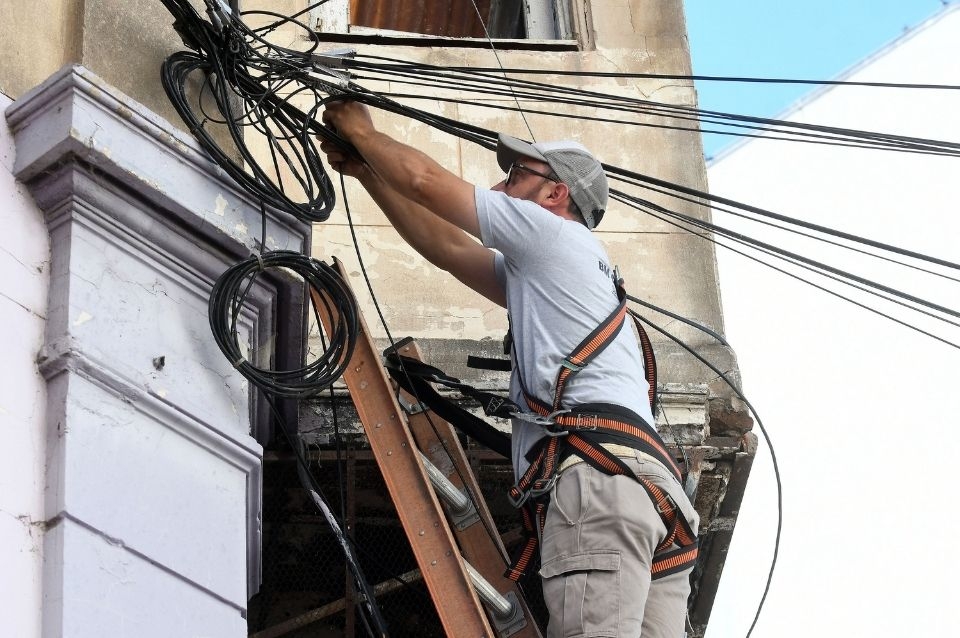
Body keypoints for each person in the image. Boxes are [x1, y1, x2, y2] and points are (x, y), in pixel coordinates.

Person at [320, 100, 699, 638]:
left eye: (516, 175)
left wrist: (364, 131)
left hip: (601, 483)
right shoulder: (568, 273)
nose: (499, 190)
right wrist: (367, 170)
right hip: (655, 499)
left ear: (555, 194)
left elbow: (427, 180)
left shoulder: (551, 235)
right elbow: (447, 247)